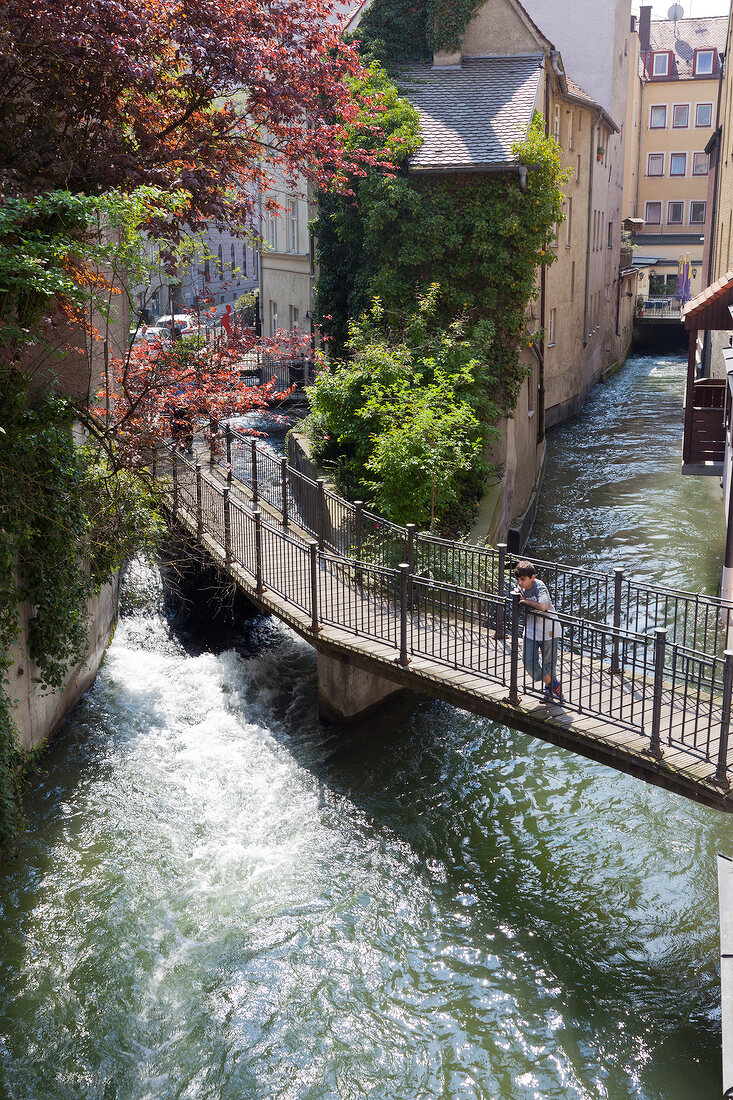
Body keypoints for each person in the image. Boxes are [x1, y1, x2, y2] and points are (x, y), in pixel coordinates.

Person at [513, 560, 564, 704]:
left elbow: (543, 606)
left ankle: (549, 691)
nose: (520, 583)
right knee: (527, 660)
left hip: (549, 629)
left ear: (533, 577)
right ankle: (553, 684)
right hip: (531, 630)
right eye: (518, 580)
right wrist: (518, 593)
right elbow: (519, 590)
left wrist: (525, 602)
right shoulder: (520, 587)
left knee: (549, 663)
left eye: (523, 580)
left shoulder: (539, 586)